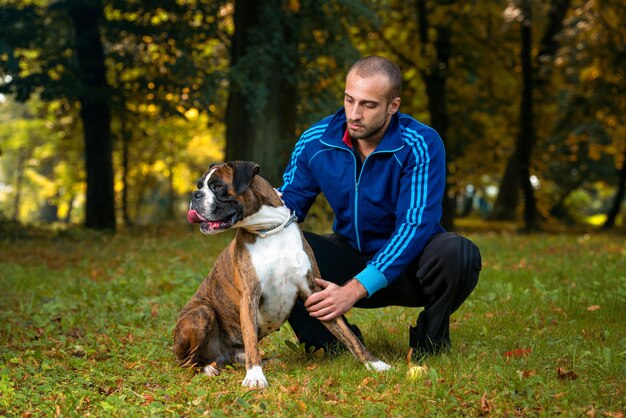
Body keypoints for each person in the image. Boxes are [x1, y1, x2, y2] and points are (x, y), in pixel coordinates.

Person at [278, 56, 481, 358]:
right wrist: (240, 207)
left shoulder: (421, 143)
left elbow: (415, 226)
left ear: (393, 106)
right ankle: (332, 344)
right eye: (349, 100)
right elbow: (287, 207)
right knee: (280, 249)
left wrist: (354, 290)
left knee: (458, 253)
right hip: (347, 256)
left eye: (369, 105)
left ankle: (431, 341)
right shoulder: (315, 140)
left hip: (410, 269)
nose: (354, 114)